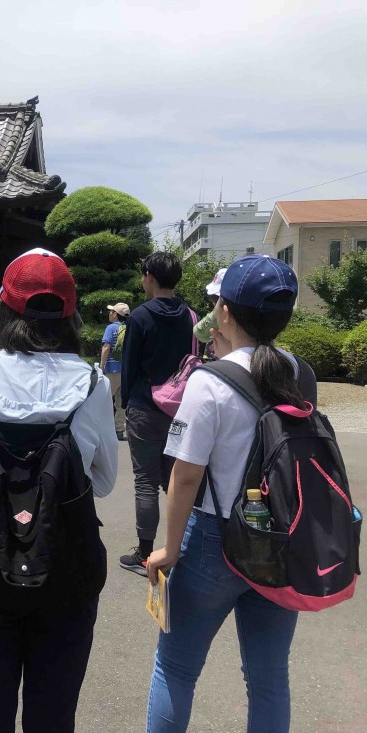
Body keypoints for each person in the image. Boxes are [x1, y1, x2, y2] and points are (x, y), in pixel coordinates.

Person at [0, 248, 118, 732]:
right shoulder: (92, 384)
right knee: (53, 716)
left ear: (3, 309)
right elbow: (103, 483)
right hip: (67, 568)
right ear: (70, 315)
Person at [145, 254, 307, 732]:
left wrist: (168, 549)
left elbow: (186, 476)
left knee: (176, 668)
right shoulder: (301, 373)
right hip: (281, 539)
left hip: (214, 540)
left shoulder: (208, 381)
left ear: (226, 313)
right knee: (269, 679)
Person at [119, 252, 196, 576]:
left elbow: (130, 364)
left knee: (146, 482)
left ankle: (146, 552)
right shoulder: (191, 316)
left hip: (145, 406)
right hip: (180, 409)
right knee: (174, 480)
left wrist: (126, 401)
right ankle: (186, 544)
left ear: (149, 275)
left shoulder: (140, 316)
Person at [100, 302, 130, 440]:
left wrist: (101, 366)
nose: (109, 313)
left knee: (103, 400)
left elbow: (106, 347)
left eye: (112, 311)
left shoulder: (111, 328)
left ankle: (100, 429)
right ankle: (119, 430)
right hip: (126, 371)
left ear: (116, 314)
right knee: (121, 403)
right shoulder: (130, 328)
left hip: (112, 370)